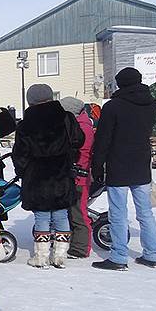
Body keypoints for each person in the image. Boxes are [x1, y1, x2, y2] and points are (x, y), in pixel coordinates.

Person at [91, 67, 156, 271]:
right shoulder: (152, 105)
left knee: (118, 213)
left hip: (118, 164)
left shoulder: (113, 107)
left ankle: (119, 257)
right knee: (145, 213)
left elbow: (103, 139)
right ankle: (151, 254)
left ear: (120, 83)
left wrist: (97, 164)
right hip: (141, 163)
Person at [13, 84, 84, 269]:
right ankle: (60, 256)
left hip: (36, 177)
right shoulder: (66, 117)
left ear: (31, 100)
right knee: (61, 214)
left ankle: (41, 256)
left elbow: (19, 154)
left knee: (42, 216)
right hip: (61, 174)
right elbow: (79, 140)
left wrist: (22, 172)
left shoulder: (25, 124)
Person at [60, 97, 95, 259]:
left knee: (78, 213)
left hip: (79, 176)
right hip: (75, 175)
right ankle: (76, 243)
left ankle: (81, 248)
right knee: (74, 211)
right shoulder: (81, 125)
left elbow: (82, 153)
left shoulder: (82, 129)